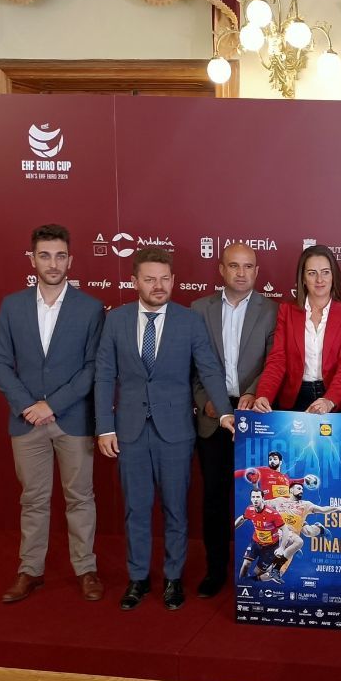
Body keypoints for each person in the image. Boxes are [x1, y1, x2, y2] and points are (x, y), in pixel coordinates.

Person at [95, 247, 234, 611]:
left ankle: (173, 578)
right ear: (135, 281)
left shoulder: (189, 321)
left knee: (176, 509)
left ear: (173, 280)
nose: (158, 286)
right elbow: (105, 374)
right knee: (136, 509)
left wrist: (224, 413)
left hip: (176, 431)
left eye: (164, 279)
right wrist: (104, 427)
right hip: (129, 431)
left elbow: (209, 370)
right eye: (149, 279)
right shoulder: (116, 320)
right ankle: (138, 578)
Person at [0, 224, 106, 603]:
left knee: (80, 498)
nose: (53, 263)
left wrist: (51, 405)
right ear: (33, 259)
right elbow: (0, 363)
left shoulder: (90, 309)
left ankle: (86, 569)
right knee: (33, 500)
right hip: (26, 423)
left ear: (70, 260)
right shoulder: (12, 305)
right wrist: (29, 406)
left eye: (60, 256)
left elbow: (92, 368)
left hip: (71, 420)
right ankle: (30, 570)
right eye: (45, 255)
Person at [190, 243, 277, 598]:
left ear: (257, 271)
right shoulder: (198, 310)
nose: (241, 273)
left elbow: (275, 363)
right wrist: (205, 402)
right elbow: (190, 366)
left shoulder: (273, 311)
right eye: (234, 266)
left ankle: (260, 567)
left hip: (255, 415)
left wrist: (254, 396)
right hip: (212, 415)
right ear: (221, 269)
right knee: (214, 497)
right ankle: (215, 570)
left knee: (260, 500)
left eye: (248, 266)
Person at [253, 245, 341, 414]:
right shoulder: (287, 310)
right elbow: (277, 359)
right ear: (302, 278)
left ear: (333, 276)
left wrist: (330, 400)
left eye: (325, 272)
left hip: (333, 398)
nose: (320, 279)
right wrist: (263, 395)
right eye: (312, 273)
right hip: (295, 397)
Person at [235, 488, 288, 583]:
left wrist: (282, 548)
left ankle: (253, 582)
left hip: (271, 547)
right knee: (246, 564)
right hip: (255, 542)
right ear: (251, 498)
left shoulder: (273, 513)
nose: (255, 499)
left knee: (257, 573)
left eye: (258, 497)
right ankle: (241, 583)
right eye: (253, 497)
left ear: (263, 498)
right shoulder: (249, 509)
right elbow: (242, 518)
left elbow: (285, 529)